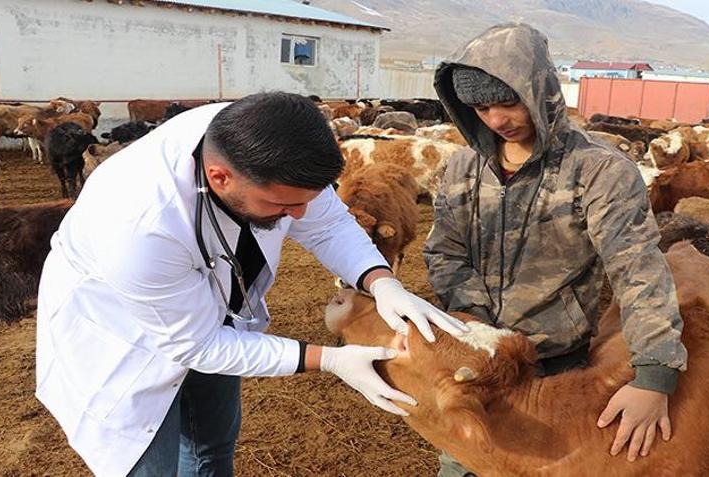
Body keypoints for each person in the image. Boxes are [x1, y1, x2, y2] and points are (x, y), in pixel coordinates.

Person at [35, 92, 468, 476]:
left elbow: (328, 221)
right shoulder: (140, 227)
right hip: (126, 340)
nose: (298, 217)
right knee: (153, 463)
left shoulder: (257, 140)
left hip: (216, 313)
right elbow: (197, 345)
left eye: (305, 201)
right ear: (221, 177)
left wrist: (380, 282)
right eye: (283, 205)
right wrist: (330, 360)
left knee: (211, 447)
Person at [424, 24, 688, 475]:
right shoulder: (463, 167)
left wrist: (655, 376)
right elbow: (443, 252)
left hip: (554, 364)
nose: (496, 119)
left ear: (541, 89)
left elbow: (637, 268)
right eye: (481, 107)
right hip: (474, 358)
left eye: (509, 102)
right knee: (464, 461)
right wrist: (481, 328)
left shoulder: (598, 170)